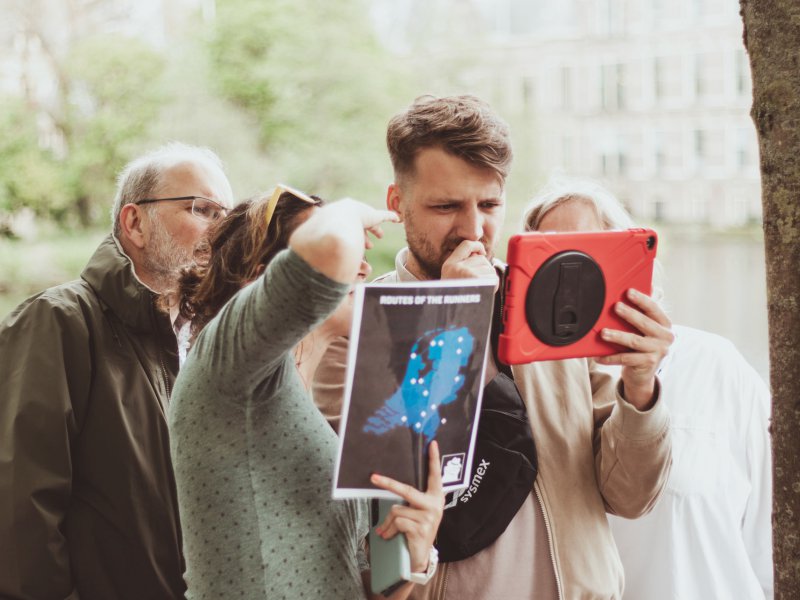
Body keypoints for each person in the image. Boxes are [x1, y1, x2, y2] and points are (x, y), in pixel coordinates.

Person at [320, 94, 673, 599]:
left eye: (488, 205)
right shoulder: (351, 331)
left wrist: (640, 391)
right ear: (397, 203)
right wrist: (451, 314)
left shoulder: (551, 307)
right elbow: (363, 534)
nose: (473, 229)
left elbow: (631, 496)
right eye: (446, 206)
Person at [168, 186, 445, 599]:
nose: (364, 268)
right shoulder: (229, 367)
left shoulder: (313, 413)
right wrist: (346, 210)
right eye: (351, 260)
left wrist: (412, 559)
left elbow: (355, 585)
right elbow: (332, 244)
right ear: (264, 280)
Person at [0, 142, 234, 600]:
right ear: (134, 223)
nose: (221, 229)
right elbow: (20, 509)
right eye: (202, 209)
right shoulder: (58, 320)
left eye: (226, 214)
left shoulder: (206, 338)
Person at [523, 176, 774, 600]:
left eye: (590, 254)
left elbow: (769, 535)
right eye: (554, 258)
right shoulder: (524, 387)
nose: (572, 279)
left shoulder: (717, 367)